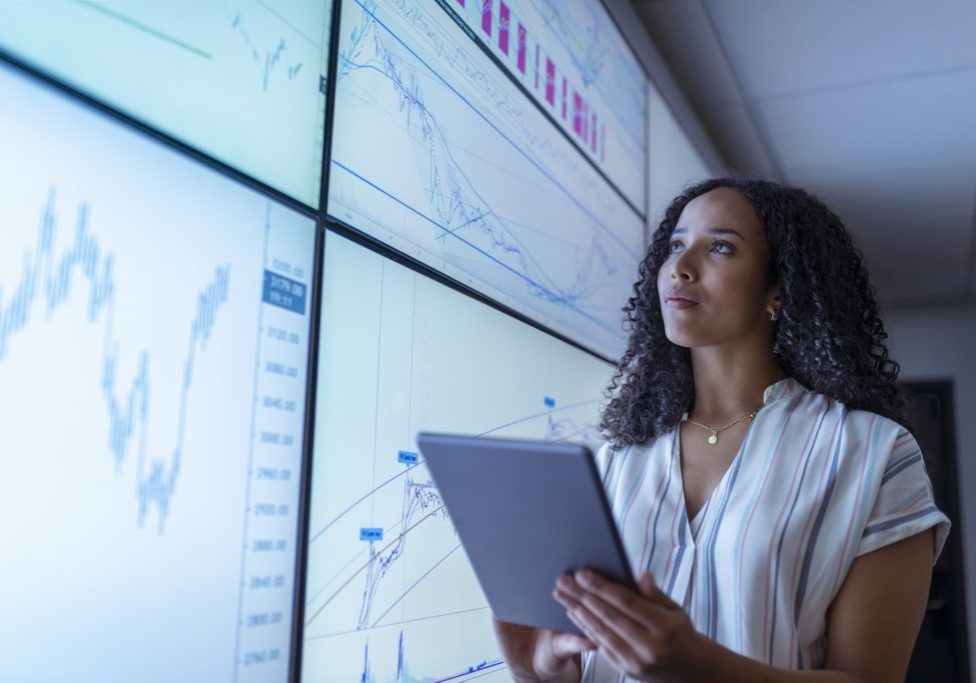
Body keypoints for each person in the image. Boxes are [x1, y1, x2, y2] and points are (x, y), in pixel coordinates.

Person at [493, 178, 951, 682]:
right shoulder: (618, 460)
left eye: (720, 247)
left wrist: (699, 665)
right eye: (675, 246)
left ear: (778, 288)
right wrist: (542, 670)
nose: (680, 268)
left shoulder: (873, 453)